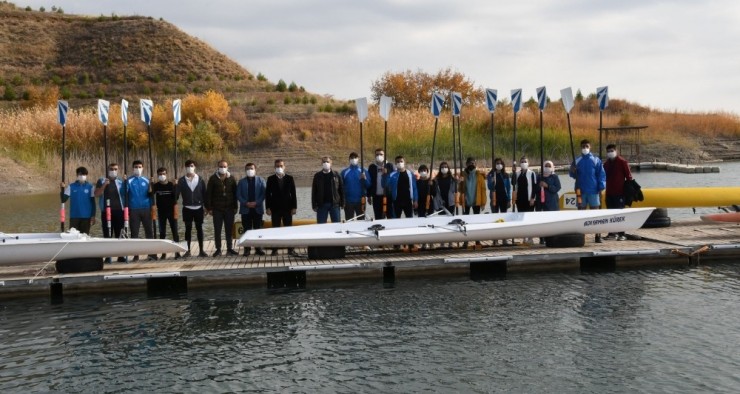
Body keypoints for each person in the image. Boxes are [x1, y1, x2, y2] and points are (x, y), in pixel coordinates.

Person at [569, 139, 606, 243]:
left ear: (590, 147)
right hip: (580, 191)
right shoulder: (576, 160)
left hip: (593, 191)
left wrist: (601, 186)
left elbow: (601, 174)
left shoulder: (596, 160)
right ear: (580, 147)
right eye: (583, 146)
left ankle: (598, 236)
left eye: (587, 146)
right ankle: (581, 236)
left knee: (596, 214)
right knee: (580, 214)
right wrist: (573, 170)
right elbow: (571, 174)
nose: (585, 148)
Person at [206, 159, 239, 256]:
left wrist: (235, 207)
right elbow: (208, 194)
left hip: (229, 209)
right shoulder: (213, 179)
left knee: (229, 230)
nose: (223, 168)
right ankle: (218, 249)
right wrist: (209, 208)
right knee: (217, 230)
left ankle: (229, 248)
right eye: (221, 166)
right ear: (218, 167)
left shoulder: (232, 178)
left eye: (224, 166)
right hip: (217, 209)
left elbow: (235, 194)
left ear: (227, 167)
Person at [266, 159, 298, 257]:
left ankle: (290, 249)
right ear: (274, 167)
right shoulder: (270, 179)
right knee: (275, 229)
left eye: (281, 166)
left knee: (288, 229)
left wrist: (294, 207)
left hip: (287, 208)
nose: (279, 168)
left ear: (284, 167)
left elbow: (293, 193)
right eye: (277, 166)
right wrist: (267, 207)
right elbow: (267, 194)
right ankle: (274, 250)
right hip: (275, 208)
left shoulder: (290, 178)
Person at [176, 159, 208, 258]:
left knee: (199, 229)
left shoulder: (201, 179)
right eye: (188, 166)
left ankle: (201, 250)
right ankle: (188, 251)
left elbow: (205, 194)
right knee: (187, 230)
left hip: (199, 208)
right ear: (185, 168)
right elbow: (176, 196)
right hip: (187, 208)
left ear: (195, 167)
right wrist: (175, 185)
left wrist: (206, 207)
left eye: (192, 165)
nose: (190, 167)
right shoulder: (181, 180)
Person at [95, 163, 126, 262]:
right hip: (106, 211)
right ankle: (108, 256)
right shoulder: (101, 180)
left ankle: (121, 255)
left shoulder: (121, 181)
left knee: (120, 235)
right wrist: (104, 185)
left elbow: (126, 194)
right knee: (107, 234)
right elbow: (96, 194)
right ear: (108, 170)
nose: (113, 171)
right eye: (111, 169)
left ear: (118, 170)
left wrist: (126, 182)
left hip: (119, 212)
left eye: (115, 169)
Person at [127, 160, 157, 261]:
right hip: (134, 209)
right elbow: (124, 193)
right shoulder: (129, 181)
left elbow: (151, 194)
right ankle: (136, 255)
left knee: (149, 231)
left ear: (143, 168)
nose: (138, 169)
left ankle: (152, 254)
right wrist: (124, 182)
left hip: (146, 209)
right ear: (133, 168)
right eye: (136, 167)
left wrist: (152, 185)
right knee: (134, 233)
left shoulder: (147, 180)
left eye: (139, 167)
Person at [603, 144, 633, 241]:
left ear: (616, 151)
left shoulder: (622, 162)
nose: (610, 153)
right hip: (609, 193)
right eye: (608, 151)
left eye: (612, 150)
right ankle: (612, 233)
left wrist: (628, 191)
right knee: (610, 214)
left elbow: (629, 177)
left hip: (620, 193)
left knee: (620, 214)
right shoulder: (606, 164)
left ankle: (622, 234)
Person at [237, 162, 266, 256]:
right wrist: (246, 203)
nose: (250, 170)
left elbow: (264, 194)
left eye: (252, 168)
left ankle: (258, 249)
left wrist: (257, 202)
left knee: (258, 229)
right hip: (246, 209)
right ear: (245, 170)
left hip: (257, 209)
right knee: (247, 230)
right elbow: (238, 195)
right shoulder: (241, 182)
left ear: (255, 169)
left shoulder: (261, 180)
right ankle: (247, 249)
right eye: (248, 169)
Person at [152, 167, 181, 259]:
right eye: (160, 174)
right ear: (158, 175)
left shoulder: (171, 185)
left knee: (175, 232)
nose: (162, 176)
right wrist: (150, 184)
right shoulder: (156, 186)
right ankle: (163, 253)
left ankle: (177, 252)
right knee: (162, 232)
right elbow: (150, 195)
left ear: (166, 174)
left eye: (163, 174)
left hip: (172, 211)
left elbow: (176, 197)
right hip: (161, 212)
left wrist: (176, 186)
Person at [60, 166, 96, 234]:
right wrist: (62, 189)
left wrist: (93, 216)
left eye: (84, 174)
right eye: (80, 174)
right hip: (74, 217)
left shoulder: (91, 187)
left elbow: (93, 203)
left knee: (84, 237)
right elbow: (63, 200)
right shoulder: (71, 186)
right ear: (77, 175)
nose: (82, 176)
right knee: (72, 237)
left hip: (86, 217)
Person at [311, 156, 344, 224]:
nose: (326, 163)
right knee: (321, 226)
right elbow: (314, 191)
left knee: (337, 225)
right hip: (321, 205)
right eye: (324, 162)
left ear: (331, 163)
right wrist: (314, 205)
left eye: (327, 162)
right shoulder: (317, 176)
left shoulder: (336, 175)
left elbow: (341, 189)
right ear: (321, 163)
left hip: (335, 205)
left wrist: (343, 202)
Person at [513, 156, 537, 244]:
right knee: (521, 219)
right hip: (520, 200)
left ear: (528, 163)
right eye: (522, 161)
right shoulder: (517, 174)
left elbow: (535, 186)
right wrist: (513, 172)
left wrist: (532, 198)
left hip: (529, 199)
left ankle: (530, 238)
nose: (523, 163)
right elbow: (513, 184)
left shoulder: (532, 173)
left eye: (525, 161)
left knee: (529, 219)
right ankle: (524, 237)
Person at [487, 158, 512, 246]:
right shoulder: (490, 175)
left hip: (503, 198)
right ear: (494, 165)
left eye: (500, 163)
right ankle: (495, 239)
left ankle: (504, 239)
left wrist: (509, 199)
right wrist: (492, 182)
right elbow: (489, 187)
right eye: (497, 163)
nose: (498, 165)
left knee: (504, 219)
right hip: (494, 198)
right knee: (495, 218)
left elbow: (508, 189)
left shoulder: (505, 175)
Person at [340, 152, 370, 220]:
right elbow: (340, 187)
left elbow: (368, 185)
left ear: (358, 159)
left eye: (355, 158)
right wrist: (342, 201)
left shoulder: (364, 171)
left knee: (361, 221)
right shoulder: (344, 172)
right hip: (348, 202)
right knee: (349, 221)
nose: (353, 159)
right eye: (352, 158)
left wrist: (365, 179)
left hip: (361, 201)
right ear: (349, 159)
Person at [367, 148, 394, 219]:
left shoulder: (389, 165)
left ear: (384, 155)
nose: (379, 156)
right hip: (376, 197)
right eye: (377, 154)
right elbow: (370, 181)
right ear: (375, 156)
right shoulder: (372, 167)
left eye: (381, 154)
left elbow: (393, 180)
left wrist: (387, 172)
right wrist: (369, 195)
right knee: (378, 217)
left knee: (390, 217)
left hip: (388, 196)